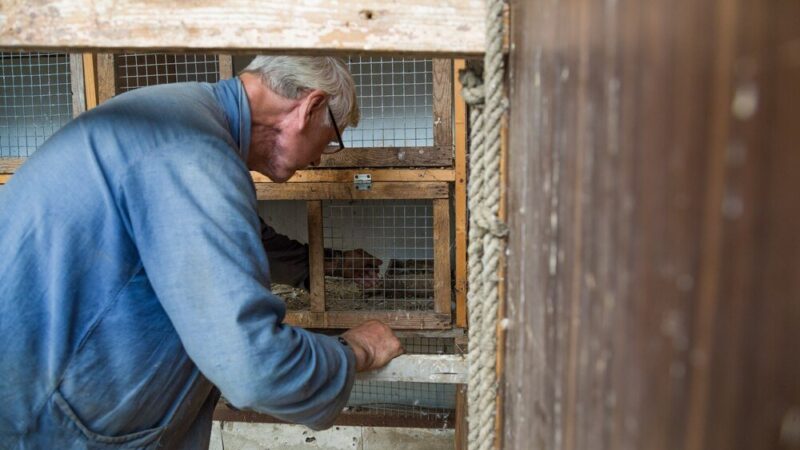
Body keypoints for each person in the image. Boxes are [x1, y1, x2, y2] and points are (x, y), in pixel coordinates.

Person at [0, 56, 404, 449]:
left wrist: (331, 264)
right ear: (311, 107)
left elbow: (227, 240)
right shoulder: (193, 150)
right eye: (330, 141)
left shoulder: (182, 116)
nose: (317, 159)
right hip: (45, 425)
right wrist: (355, 351)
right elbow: (252, 366)